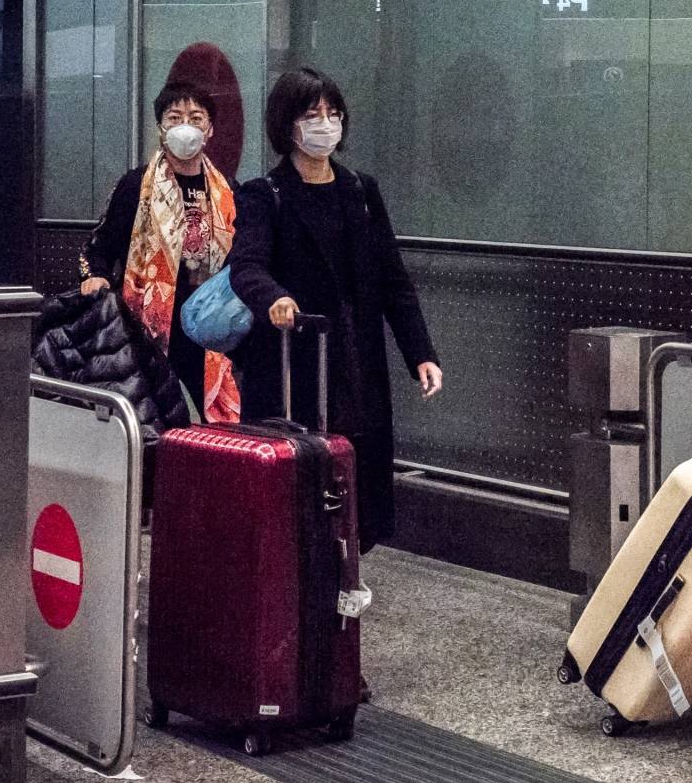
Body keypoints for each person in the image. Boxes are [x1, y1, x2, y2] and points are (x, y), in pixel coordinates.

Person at [228, 67, 443, 555]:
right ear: (288, 125)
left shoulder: (361, 191)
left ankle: (346, 570)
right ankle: (306, 579)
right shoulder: (267, 194)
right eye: (312, 115)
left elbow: (393, 278)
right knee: (302, 482)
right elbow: (246, 266)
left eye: (332, 113)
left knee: (359, 476)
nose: (325, 124)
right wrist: (274, 298)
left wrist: (421, 353)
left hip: (357, 359)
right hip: (295, 361)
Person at [80, 83, 239, 423]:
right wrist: (94, 276)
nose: (186, 126)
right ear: (160, 128)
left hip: (207, 329)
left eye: (196, 118)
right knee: (150, 420)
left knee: (213, 427)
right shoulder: (136, 186)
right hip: (145, 327)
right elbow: (98, 248)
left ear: (209, 129)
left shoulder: (229, 192)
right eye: (175, 117)